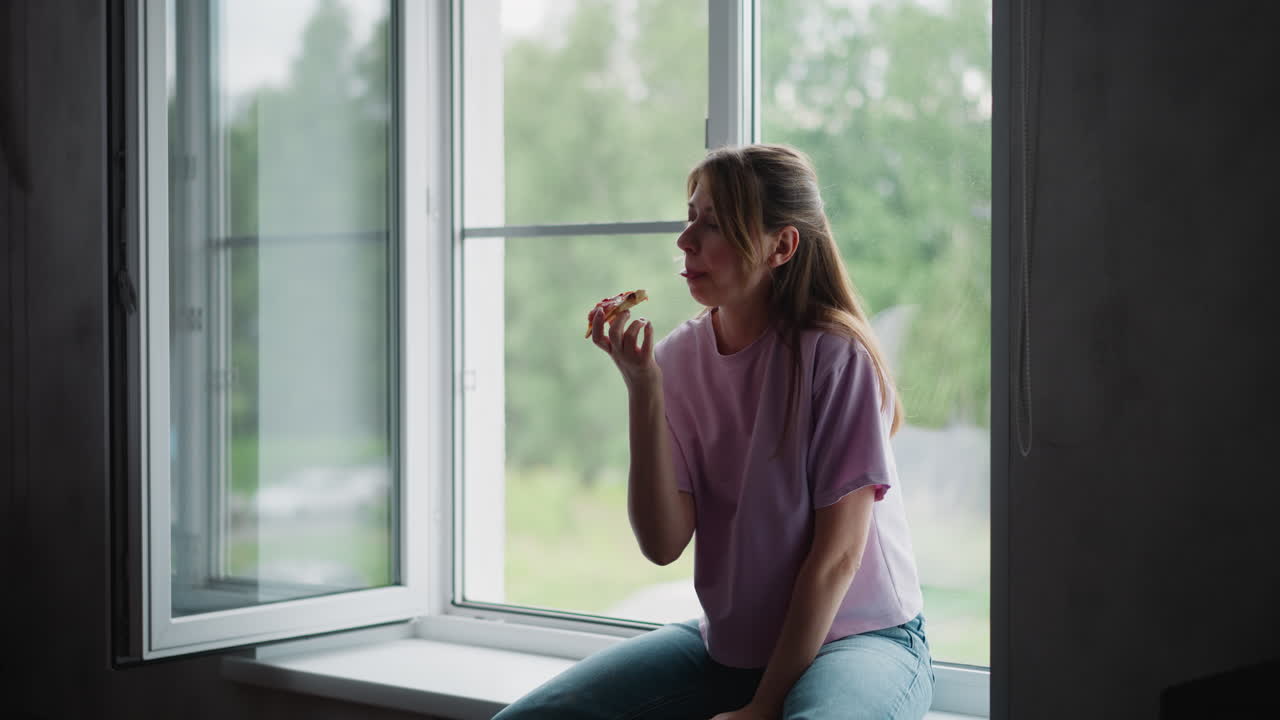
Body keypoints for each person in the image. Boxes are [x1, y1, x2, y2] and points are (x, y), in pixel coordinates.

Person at [494, 144, 934, 720]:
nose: (686, 241)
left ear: (782, 246)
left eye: (716, 223)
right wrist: (643, 390)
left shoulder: (835, 357)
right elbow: (662, 544)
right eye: (690, 216)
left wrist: (764, 705)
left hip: (860, 640)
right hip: (730, 651)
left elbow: (839, 558)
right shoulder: (677, 358)